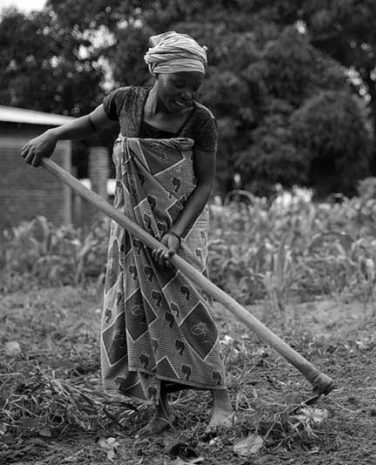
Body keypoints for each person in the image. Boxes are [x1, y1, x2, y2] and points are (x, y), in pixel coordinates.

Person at [21, 31, 235, 435]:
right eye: (179, 83)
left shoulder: (201, 120)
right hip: (133, 225)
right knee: (140, 311)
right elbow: (88, 124)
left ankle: (220, 397)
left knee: (190, 306)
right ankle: (160, 407)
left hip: (181, 225)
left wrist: (175, 234)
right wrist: (52, 135)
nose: (187, 95)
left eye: (195, 86)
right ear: (156, 70)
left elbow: (205, 184)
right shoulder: (126, 101)